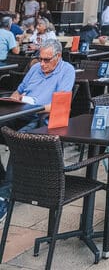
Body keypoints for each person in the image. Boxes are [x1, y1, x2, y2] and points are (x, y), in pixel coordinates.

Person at [0, 39, 76, 220]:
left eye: (46, 60)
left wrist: (35, 106)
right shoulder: (35, 69)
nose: (41, 63)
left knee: (18, 139)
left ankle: (5, 195)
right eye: (40, 58)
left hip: (43, 119)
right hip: (20, 113)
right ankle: (3, 178)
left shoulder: (67, 71)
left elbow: (59, 105)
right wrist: (17, 99)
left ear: (58, 57)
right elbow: (17, 92)